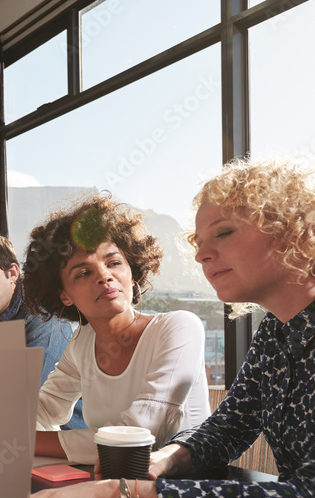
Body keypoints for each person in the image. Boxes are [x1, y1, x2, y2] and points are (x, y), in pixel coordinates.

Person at [29, 158, 315, 498]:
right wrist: (166, 459)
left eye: (224, 233)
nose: (201, 256)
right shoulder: (276, 332)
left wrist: (119, 495)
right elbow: (229, 427)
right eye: (199, 244)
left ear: (292, 229)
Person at [22, 195, 211, 464]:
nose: (104, 276)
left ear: (132, 275)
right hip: (111, 482)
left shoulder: (179, 328)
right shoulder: (82, 342)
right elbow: (44, 409)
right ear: (64, 296)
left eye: (113, 263)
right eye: (83, 273)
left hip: (181, 491)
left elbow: (140, 437)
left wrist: (24, 442)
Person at [0, 229, 85, 429]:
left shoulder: (44, 318)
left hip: (65, 444)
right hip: (15, 436)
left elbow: (30, 406)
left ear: (13, 273)